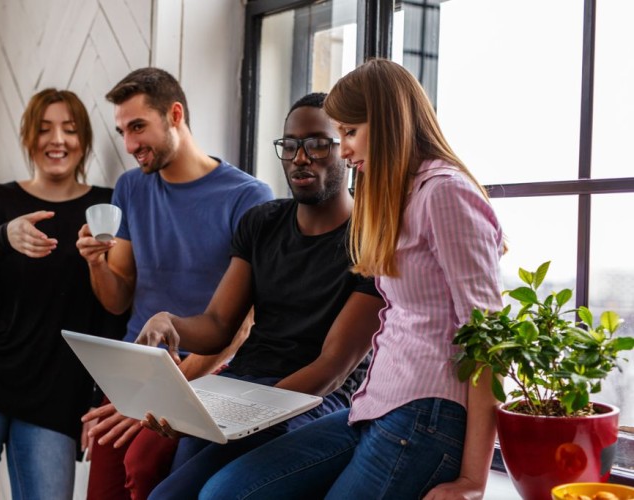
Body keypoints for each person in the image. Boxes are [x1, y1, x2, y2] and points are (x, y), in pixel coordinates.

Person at [199, 59, 505, 500]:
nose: (343, 150)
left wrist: (474, 481)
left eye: (350, 132)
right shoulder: (403, 196)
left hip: (425, 414)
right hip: (373, 403)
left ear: (388, 124)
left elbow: (488, 342)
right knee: (226, 492)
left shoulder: (445, 193)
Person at [135, 92, 386, 500]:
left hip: (310, 401)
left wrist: (248, 410)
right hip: (243, 383)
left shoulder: (369, 241)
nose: (300, 157)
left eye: (317, 144)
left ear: (347, 149)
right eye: (290, 145)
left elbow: (332, 368)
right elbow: (217, 326)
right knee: (164, 469)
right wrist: (169, 322)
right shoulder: (263, 222)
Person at [75, 67, 274, 500]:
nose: (130, 145)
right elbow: (117, 299)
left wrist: (163, 391)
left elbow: (242, 326)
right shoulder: (131, 188)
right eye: (123, 131)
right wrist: (95, 264)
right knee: (103, 485)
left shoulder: (249, 197)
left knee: (144, 469)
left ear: (175, 114)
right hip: (134, 367)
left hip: (204, 370)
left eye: (139, 127)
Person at [0, 88, 127, 499]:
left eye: (69, 130)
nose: (57, 140)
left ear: (84, 140)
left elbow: (115, 310)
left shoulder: (106, 208)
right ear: (28, 138)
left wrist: (97, 396)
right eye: (45, 129)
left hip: (56, 390)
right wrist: (3, 236)